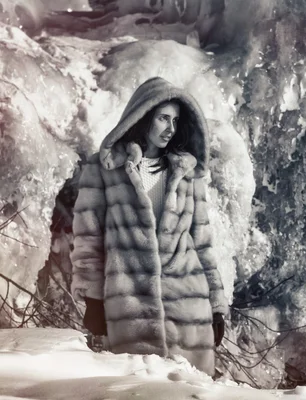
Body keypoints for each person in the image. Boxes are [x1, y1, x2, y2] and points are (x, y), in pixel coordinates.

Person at [70, 77, 228, 376]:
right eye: (163, 118)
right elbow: (88, 239)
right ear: (142, 118)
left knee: (190, 391)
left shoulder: (186, 173)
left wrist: (217, 306)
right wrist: (93, 298)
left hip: (188, 311)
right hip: (130, 308)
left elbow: (203, 244)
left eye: (176, 120)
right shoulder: (104, 170)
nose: (170, 128)